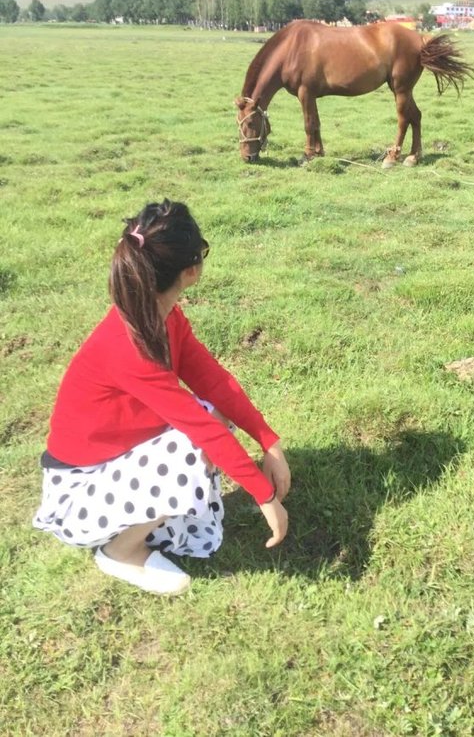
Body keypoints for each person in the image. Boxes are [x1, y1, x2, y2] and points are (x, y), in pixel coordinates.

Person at [33, 198, 290, 595]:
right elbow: (197, 425)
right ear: (191, 271)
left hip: (114, 459)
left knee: (212, 416)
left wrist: (268, 441)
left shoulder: (161, 313)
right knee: (197, 440)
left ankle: (144, 523)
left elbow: (214, 381)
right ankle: (120, 551)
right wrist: (265, 495)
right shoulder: (128, 344)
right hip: (77, 491)